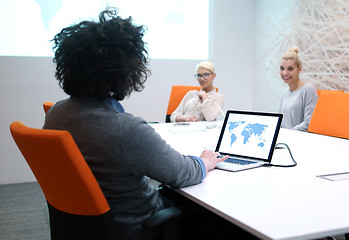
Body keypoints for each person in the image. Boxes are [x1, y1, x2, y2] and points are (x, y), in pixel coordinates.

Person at [44, 9, 228, 240]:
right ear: (125, 71)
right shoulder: (125, 130)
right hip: (138, 227)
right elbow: (182, 174)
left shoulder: (55, 113)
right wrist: (205, 161)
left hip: (86, 226)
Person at [278, 47, 318, 131]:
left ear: (299, 68)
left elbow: (309, 123)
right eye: (282, 68)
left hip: (300, 139)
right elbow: (279, 121)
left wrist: (288, 134)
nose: (285, 73)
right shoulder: (285, 92)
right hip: (286, 139)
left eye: (290, 69)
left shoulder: (308, 90)